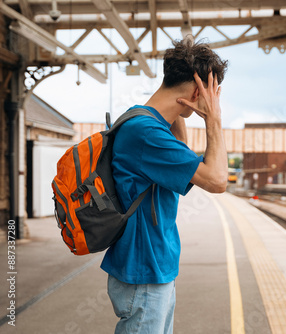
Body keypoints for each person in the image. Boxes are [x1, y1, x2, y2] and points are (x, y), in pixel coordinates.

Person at [100, 38, 229, 334]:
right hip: (144, 271)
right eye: (211, 95)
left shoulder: (147, 121)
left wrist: (179, 114)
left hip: (152, 269)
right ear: (198, 92)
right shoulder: (145, 132)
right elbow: (217, 180)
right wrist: (214, 119)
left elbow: (178, 159)